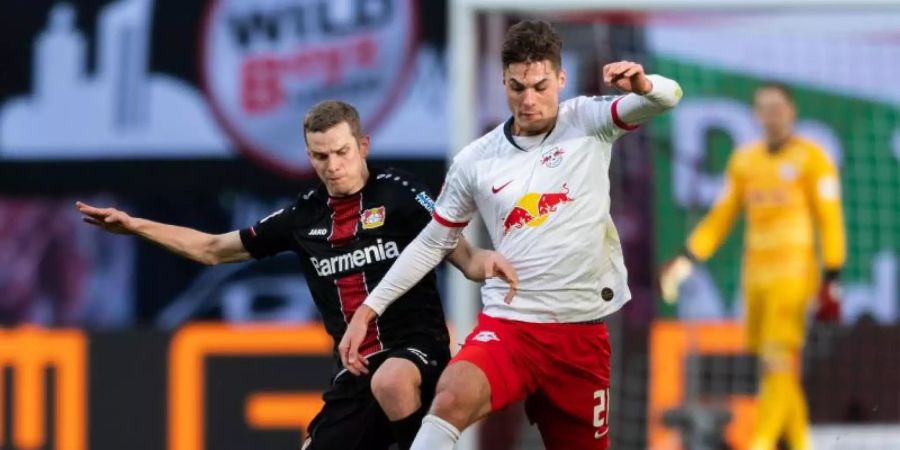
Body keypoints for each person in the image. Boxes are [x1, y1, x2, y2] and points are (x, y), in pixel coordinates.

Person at [75, 100, 517, 450]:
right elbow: (212, 249)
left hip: (417, 352)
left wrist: (487, 264)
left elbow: (463, 256)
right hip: (355, 370)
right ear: (309, 155)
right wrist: (135, 225)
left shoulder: (400, 193)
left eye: (342, 152)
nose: (333, 165)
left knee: (393, 380)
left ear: (363, 145)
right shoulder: (302, 217)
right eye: (320, 156)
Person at [341, 20, 682, 450]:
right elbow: (434, 241)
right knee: (450, 398)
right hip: (510, 327)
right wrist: (370, 308)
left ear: (561, 78)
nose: (529, 100)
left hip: (580, 336)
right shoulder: (477, 160)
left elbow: (668, 98)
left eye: (540, 86)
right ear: (503, 81)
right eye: (517, 87)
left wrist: (643, 83)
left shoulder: (589, 120)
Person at [660, 83, 845, 450]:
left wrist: (832, 277)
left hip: (794, 275)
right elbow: (721, 218)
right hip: (756, 277)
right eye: (763, 108)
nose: (771, 116)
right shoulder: (745, 161)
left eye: (777, 107)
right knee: (774, 369)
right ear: (756, 115)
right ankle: (801, 443)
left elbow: (830, 219)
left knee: (777, 361)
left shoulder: (813, 158)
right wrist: (686, 258)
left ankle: (760, 442)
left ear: (792, 112)